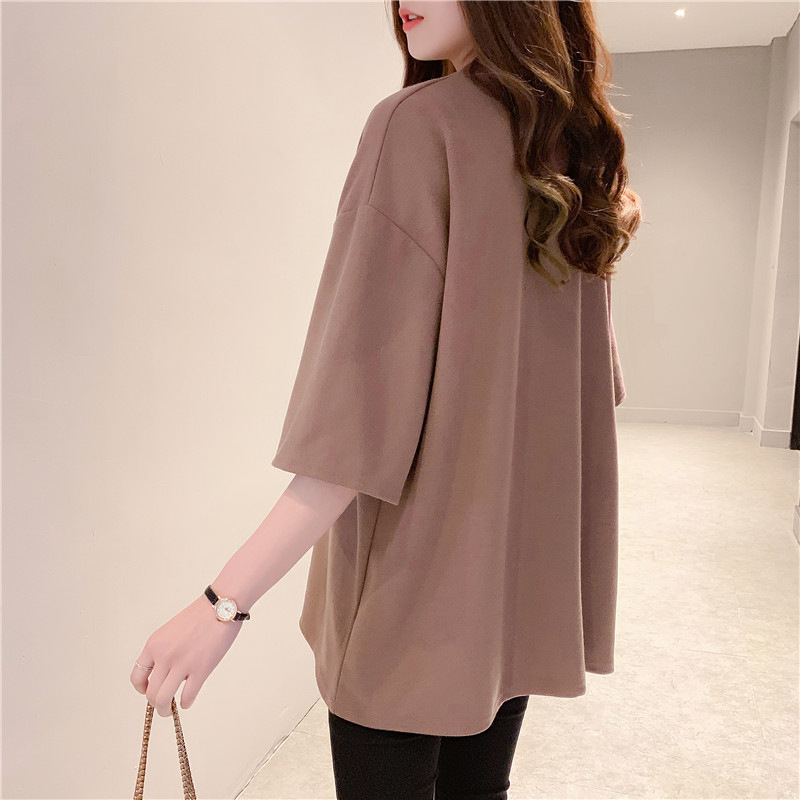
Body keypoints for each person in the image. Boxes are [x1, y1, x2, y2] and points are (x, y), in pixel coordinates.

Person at [130, 1, 641, 798]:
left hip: (416, 589)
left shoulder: (418, 124)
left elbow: (355, 423)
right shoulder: (575, 149)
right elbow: (594, 388)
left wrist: (221, 605)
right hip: (520, 574)